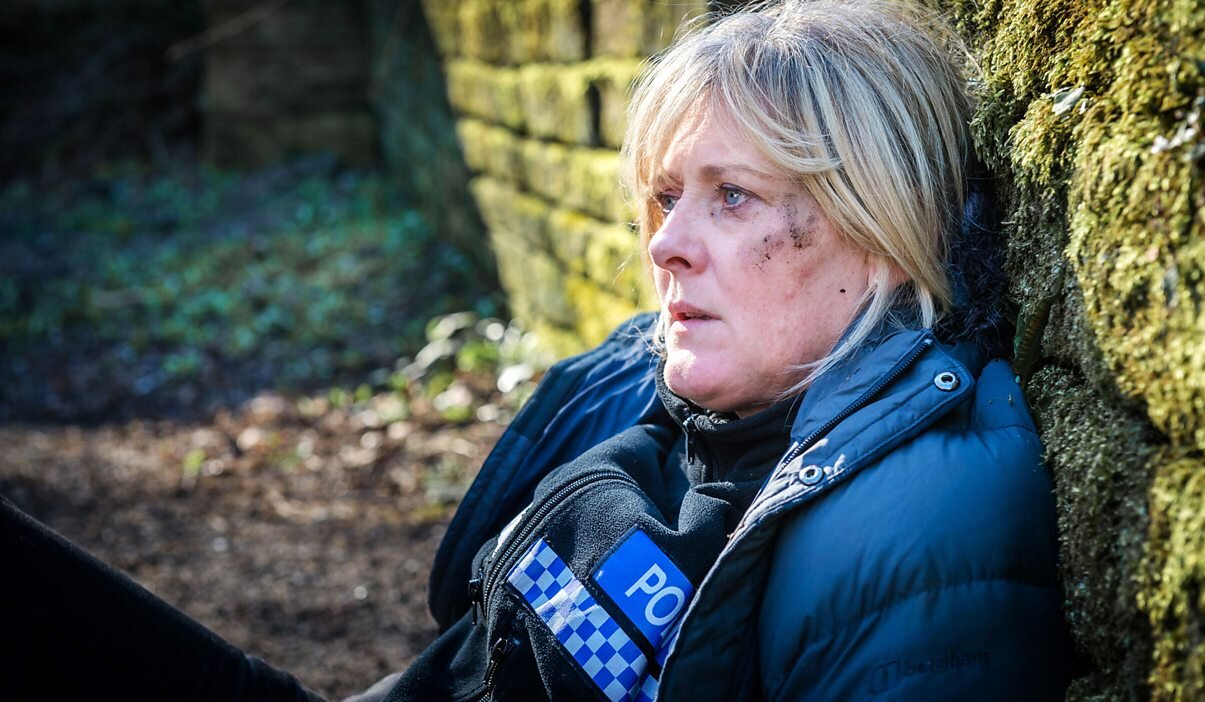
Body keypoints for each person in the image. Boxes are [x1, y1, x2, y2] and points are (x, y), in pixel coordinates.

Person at [0, 1, 1073, 700]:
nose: (665, 243)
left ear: (881, 232)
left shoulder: (922, 528)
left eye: (734, 197)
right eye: (666, 197)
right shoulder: (674, 392)